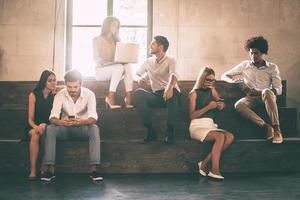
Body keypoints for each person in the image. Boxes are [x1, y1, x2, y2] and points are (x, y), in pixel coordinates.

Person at [42, 70, 102, 182]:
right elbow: (52, 117)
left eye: (75, 87)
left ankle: (94, 170)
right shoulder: (60, 95)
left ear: (80, 84)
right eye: (69, 87)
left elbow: (93, 118)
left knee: (94, 128)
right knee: (50, 129)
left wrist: (82, 121)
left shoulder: (90, 94)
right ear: (65, 84)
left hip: (82, 129)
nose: (72, 90)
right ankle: (50, 170)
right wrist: (61, 122)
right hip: (65, 130)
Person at [221, 36, 283, 144]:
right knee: (238, 105)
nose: (253, 56)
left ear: (263, 53)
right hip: (251, 98)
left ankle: (277, 129)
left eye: (256, 53)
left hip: (267, 98)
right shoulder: (245, 65)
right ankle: (266, 126)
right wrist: (236, 82)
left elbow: (279, 89)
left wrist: (260, 92)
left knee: (266, 91)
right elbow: (224, 75)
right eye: (251, 53)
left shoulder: (272, 67)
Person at [189, 67, 234, 180]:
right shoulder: (193, 93)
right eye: (207, 80)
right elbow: (191, 115)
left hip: (210, 125)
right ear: (202, 79)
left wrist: (221, 104)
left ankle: (203, 163)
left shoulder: (212, 90)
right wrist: (208, 107)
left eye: (212, 80)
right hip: (197, 126)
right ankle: (214, 170)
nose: (210, 82)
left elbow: (220, 101)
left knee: (229, 136)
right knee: (220, 136)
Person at [134, 35, 181, 144]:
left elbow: (173, 75)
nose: (150, 46)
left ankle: (170, 131)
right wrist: (140, 78)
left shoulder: (171, 60)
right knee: (138, 94)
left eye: (153, 44)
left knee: (172, 93)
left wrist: (169, 87)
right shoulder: (148, 61)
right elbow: (137, 74)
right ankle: (150, 130)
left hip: (172, 95)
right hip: (157, 96)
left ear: (160, 47)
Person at [93, 16, 133, 109]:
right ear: (107, 25)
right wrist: (115, 63)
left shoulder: (117, 41)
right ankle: (110, 96)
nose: (116, 27)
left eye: (117, 26)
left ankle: (129, 96)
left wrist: (125, 59)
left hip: (116, 71)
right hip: (101, 71)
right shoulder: (97, 39)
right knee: (119, 66)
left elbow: (120, 59)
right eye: (114, 25)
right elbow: (97, 60)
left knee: (128, 66)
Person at [25, 70, 57, 180]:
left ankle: (44, 166)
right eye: (49, 81)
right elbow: (30, 119)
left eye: (54, 80)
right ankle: (33, 170)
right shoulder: (33, 95)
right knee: (35, 134)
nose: (53, 83)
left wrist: (45, 126)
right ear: (44, 81)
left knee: (46, 132)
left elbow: (55, 117)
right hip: (33, 126)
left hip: (49, 126)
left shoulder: (55, 96)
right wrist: (36, 127)